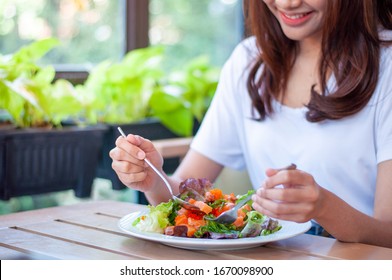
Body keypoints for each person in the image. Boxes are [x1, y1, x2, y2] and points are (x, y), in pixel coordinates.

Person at [110, 0, 392, 248]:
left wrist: (324, 208)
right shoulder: (249, 61)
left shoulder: (387, 65)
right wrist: (152, 178)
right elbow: (183, 196)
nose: (287, 3)